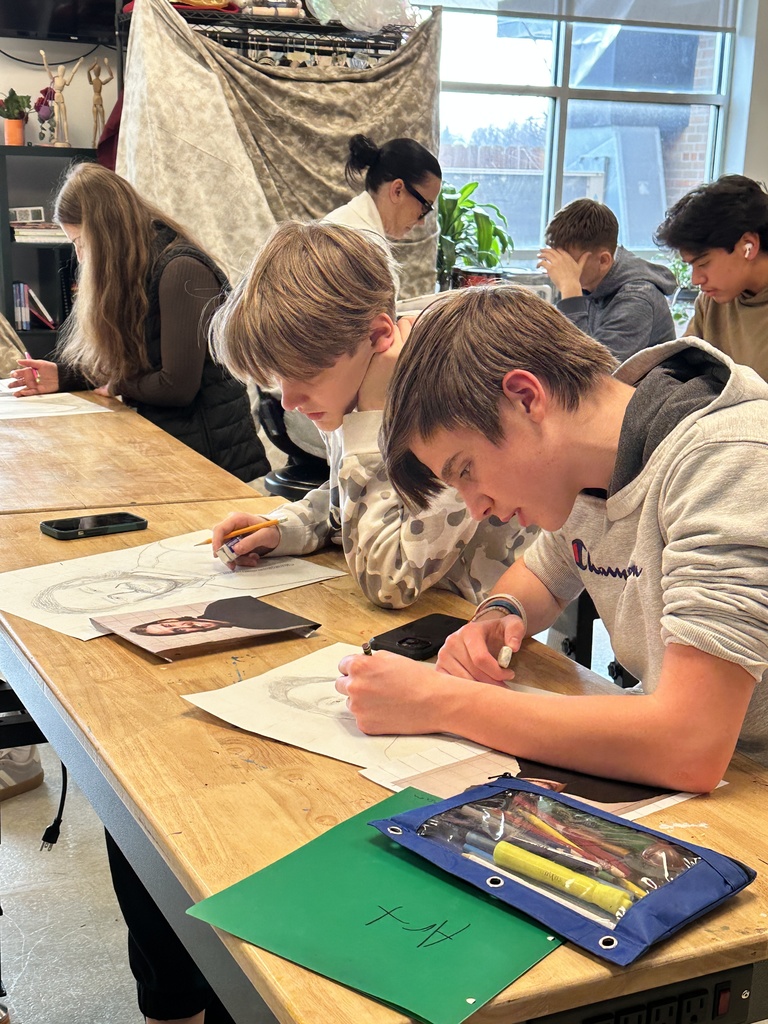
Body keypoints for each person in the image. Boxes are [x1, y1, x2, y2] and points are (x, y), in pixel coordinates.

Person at [334, 285, 768, 793]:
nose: (476, 506)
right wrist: (500, 615)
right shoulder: (592, 470)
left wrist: (438, 701)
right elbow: (543, 572)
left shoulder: (729, 459)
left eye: (467, 470)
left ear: (525, 397)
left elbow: (688, 744)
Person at [209, 221, 537, 609]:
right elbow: (347, 505)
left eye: (307, 375)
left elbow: (390, 580)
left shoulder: (447, 411)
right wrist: (283, 530)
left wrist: (371, 420)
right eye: (280, 378)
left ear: (377, 336)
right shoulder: (348, 388)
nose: (289, 401)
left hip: (470, 622)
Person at [8, 162, 268, 483]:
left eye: (80, 243)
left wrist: (116, 384)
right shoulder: (136, 269)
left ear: (103, 235)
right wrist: (65, 378)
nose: (80, 257)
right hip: (173, 453)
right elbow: (134, 361)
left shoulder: (181, 270)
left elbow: (176, 388)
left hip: (213, 466)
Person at [654, 174, 768, 381]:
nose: (696, 279)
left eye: (703, 263)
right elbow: (679, 372)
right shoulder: (711, 303)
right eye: (691, 266)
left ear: (748, 245)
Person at [537, 197, 676, 359]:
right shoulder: (589, 284)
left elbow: (591, 372)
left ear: (603, 261)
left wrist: (571, 293)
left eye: (568, 263)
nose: (560, 270)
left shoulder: (637, 298)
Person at [324, 133, 442, 243]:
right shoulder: (363, 244)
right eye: (424, 207)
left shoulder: (344, 220)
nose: (422, 222)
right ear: (397, 191)